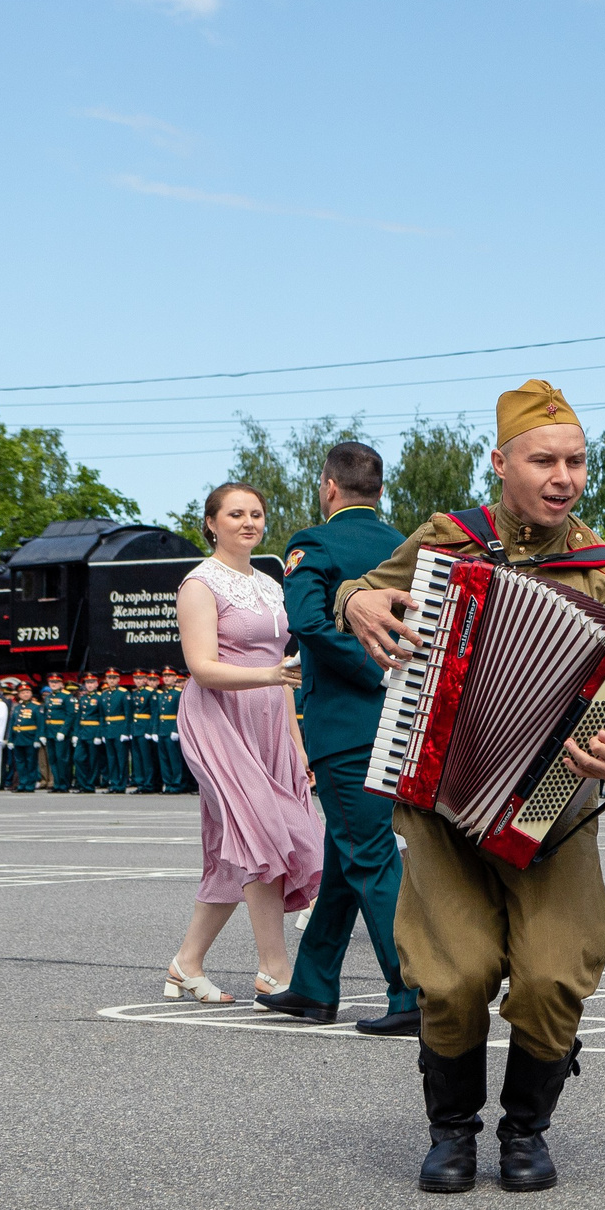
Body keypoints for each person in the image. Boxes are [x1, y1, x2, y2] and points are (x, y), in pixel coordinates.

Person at [340, 379, 605, 1194]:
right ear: (501, 462)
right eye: (544, 460)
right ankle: (451, 1129)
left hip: (551, 808)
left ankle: (526, 1129)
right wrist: (357, 598)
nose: (564, 477)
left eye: (576, 460)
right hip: (439, 792)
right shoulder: (450, 539)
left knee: (553, 974)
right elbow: (362, 592)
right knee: (452, 975)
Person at [255, 443, 421, 1033]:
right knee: (345, 856)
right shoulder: (407, 545)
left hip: (347, 728)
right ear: (380, 489)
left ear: (329, 486)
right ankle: (314, 984)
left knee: (369, 856)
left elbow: (305, 622)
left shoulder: (315, 543)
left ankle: (413, 992)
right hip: (405, 721)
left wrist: (370, 668)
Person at [166, 481, 321, 1006]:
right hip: (217, 719)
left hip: (269, 720)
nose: (249, 522)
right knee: (262, 835)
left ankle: (186, 963)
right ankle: (275, 970)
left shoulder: (272, 584)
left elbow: (284, 674)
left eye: (256, 513)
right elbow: (202, 667)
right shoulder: (199, 583)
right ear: (212, 523)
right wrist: (270, 676)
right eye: (235, 514)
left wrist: (297, 744)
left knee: (232, 850)